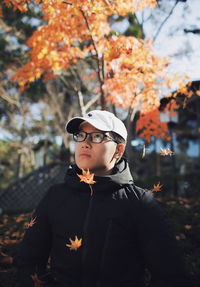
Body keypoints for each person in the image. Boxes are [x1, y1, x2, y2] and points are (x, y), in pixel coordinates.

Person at [17, 110, 191, 287]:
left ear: (119, 150)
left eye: (97, 136)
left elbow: (171, 275)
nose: (85, 143)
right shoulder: (55, 196)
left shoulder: (139, 202)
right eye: (80, 135)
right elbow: (28, 262)